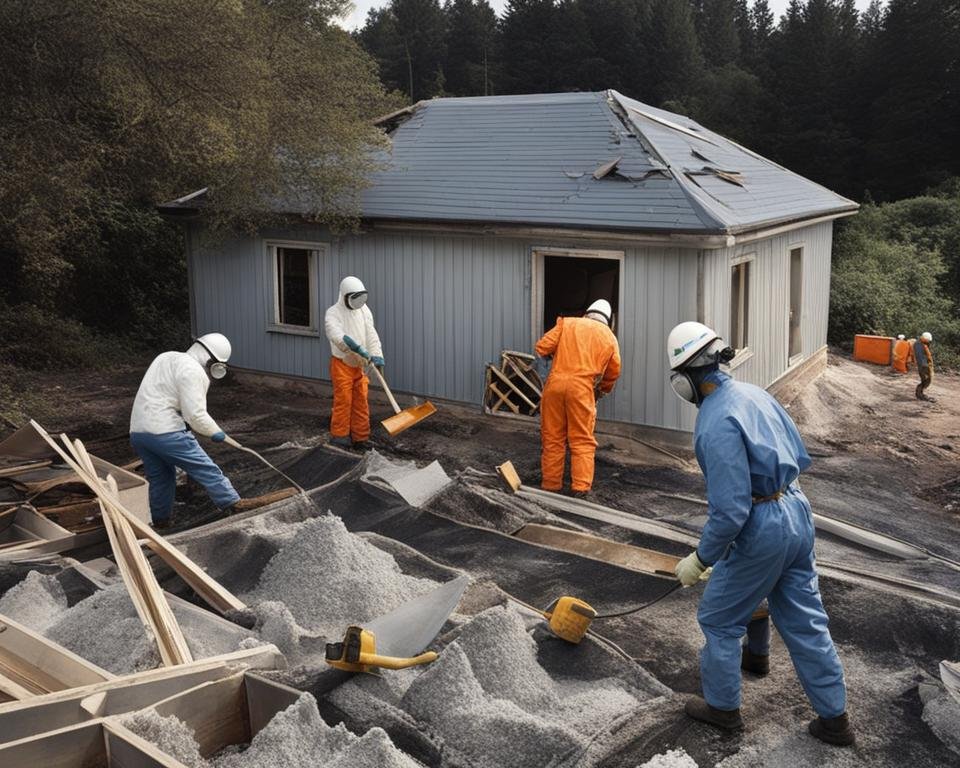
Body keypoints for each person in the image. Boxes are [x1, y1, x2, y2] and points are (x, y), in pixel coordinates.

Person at [667, 321, 853, 747]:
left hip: (761, 525)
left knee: (717, 617)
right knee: (805, 618)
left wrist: (702, 558)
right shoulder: (757, 394)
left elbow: (731, 511)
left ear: (684, 380)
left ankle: (723, 710)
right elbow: (796, 455)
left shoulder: (713, 423)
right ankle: (834, 719)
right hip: (796, 510)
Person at [129, 333, 244, 529]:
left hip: (139, 432)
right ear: (212, 361)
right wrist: (216, 433)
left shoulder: (165, 357)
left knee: (161, 477)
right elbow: (195, 415)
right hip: (166, 431)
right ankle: (233, 503)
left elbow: (166, 395)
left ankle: (161, 522)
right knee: (205, 467)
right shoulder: (194, 371)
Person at [535, 299, 621, 496]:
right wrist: (602, 390)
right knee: (581, 440)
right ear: (608, 320)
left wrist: (554, 361)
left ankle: (550, 485)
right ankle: (580, 489)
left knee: (553, 439)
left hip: (554, 387)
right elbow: (613, 372)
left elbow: (542, 347)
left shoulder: (567, 323)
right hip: (582, 391)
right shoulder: (609, 338)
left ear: (587, 313)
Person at [324, 276, 384, 448]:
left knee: (361, 401)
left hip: (360, 365)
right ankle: (340, 437)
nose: (359, 302)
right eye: (354, 297)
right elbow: (336, 335)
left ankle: (360, 437)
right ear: (344, 296)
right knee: (344, 400)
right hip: (342, 363)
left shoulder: (364, 310)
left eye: (361, 297)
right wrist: (355, 347)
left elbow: (371, 334)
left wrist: (377, 354)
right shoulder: (333, 313)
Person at [914, 332, 934, 400]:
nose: (929, 342)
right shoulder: (918, 345)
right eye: (928, 340)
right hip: (923, 366)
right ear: (925, 339)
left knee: (927, 379)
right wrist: (924, 365)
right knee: (926, 380)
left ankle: (920, 393)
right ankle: (919, 394)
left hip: (925, 365)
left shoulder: (922, 343)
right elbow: (920, 357)